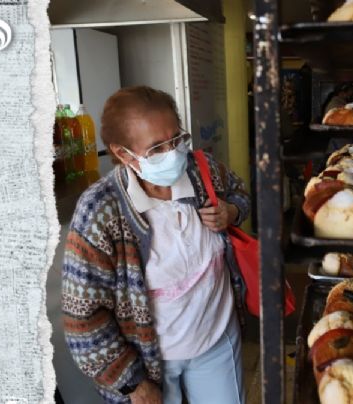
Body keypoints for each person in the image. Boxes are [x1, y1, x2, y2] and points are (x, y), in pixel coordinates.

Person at [62, 86, 250, 404]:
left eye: (176, 139)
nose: (174, 153)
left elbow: (239, 193)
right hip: (150, 366)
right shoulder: (100, 211)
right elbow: (83, 319)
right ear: (123, 153)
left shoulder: (203, 173)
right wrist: (132, 384)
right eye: (157, 148)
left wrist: (230, 211)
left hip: (217, 340)